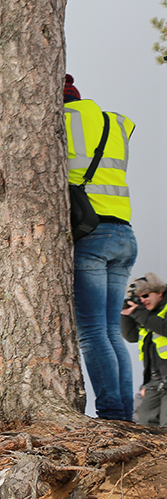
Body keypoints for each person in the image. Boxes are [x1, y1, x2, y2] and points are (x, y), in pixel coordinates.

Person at [65, 74, 138, 422]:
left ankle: (111, 413)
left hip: (91, 234)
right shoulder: (114, 123)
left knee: (94, 332)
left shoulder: (61, 120)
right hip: (124, 234)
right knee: (111, 331)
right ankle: (122, 413)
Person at [120, 273, 167, 426]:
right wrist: (126, 313)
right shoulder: (147, 315)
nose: (143, 300)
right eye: (139, 298)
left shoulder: (152, 313)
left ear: (159, 292)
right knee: (146, 422)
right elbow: (131, 336)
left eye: (146, 295)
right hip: (155, 380)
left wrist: (138, 312)